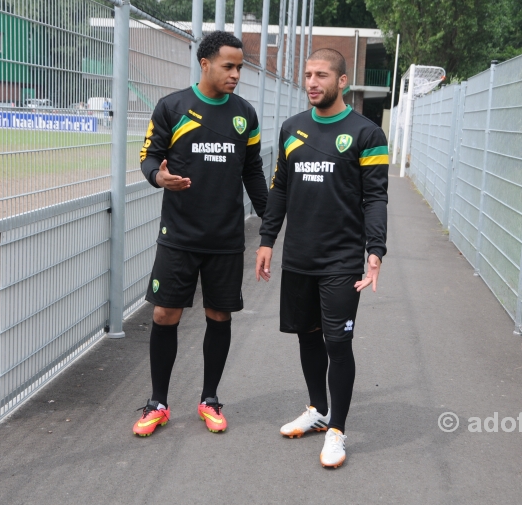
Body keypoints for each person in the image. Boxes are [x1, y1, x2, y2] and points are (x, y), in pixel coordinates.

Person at [255, 48, 388, 468]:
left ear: (342, 81)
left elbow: (375, 198)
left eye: (321, 75)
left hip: (341, 260)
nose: (312, 82)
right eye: (308, 75)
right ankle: (318, 411)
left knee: (337, 341)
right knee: (307, 336)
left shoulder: (367, 134)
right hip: (299, 257)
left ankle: (337, 432)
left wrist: (375, 250)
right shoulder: (292, 129)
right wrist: (267, 239)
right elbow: (279, 189)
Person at [134, 31, 267, 437]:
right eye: (229, 66)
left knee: (219, 314)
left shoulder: (244, 114)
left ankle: (210, 399)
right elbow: (148, 156)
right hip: (179, 235)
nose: (236, 74)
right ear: (205, 63)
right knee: (164, 313)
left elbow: (253, 172)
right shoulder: (172, 107)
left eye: (240, 67)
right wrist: (159, 176)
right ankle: (158, 403)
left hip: (226, 239)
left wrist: (273, 224)